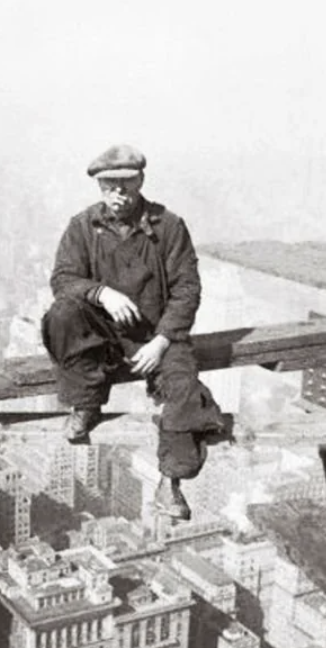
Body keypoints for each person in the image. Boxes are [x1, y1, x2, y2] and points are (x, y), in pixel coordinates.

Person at [42, 144, 228, 520]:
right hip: (104, 336)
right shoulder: (83, 226)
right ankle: (86, 405)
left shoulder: (169, 226)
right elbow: (63, 279)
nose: (118, 194)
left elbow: (186, 289)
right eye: (110, 185)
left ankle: (170, 483)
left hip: (156, 335)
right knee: (62, 315)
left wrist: (161, 342)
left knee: (183, 388)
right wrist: (101, 293)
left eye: (126, 184)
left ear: (141, 180)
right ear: (99, 186)